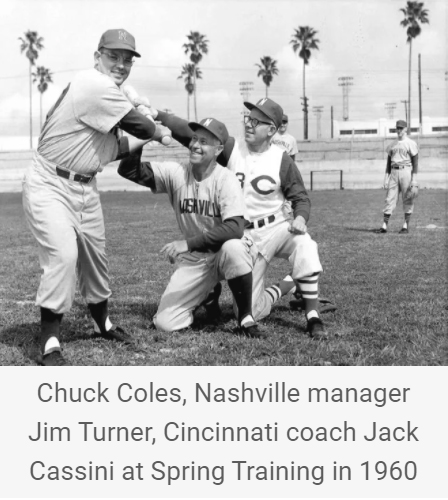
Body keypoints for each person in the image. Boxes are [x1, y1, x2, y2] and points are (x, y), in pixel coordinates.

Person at [22, 29, 170, 365]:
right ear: (97, 57)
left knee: (95, 259)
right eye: (113, 56)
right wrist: (157, 127)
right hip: (50, 182)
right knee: (62, 255)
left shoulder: (111, 97)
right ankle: (49, 342)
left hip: (86, 185)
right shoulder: (93, 83)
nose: (120, 64)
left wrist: (145, 124)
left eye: (127, 59)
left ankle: (103, 323)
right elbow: (143, 129)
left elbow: (117, 147)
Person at [153, 97, 327, 338]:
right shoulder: (233, 148)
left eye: (257, 121)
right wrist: (156, 113)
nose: (249, 124)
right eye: (248, 118)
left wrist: (300, 218)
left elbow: (301, 197)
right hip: (244, 235)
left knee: (305, 243)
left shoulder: (281, 158)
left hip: (275, 228)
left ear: (272, 130)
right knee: (250, 310)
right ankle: (286, 286)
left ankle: (313, 316)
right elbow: (187, 133)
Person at [117, 118, 263, 338]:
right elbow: (129, 171)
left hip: (226, 253)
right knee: (166, 323)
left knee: (234, 247)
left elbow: (234, 228)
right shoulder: (176, 172)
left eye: (204, 141)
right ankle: (208, 293)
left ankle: (245, 318)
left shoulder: (226, 178)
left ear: (218, 149)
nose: (195, 145)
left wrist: (187, 243)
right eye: (194, 138)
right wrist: (143, 136)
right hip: (196, 259)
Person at [377, 120, 419, 234]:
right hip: (394, 172)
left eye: (401, 128)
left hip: (406, 171)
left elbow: (415, 162)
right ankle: (384, 226)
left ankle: (405, 225)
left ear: (406, 129)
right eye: (397, 128)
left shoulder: (411, 143)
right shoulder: (392, 145)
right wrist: (386, 178)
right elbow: (388, 163)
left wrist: (414, 179)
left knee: (408, 198)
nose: (399, 130)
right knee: (389, 198)